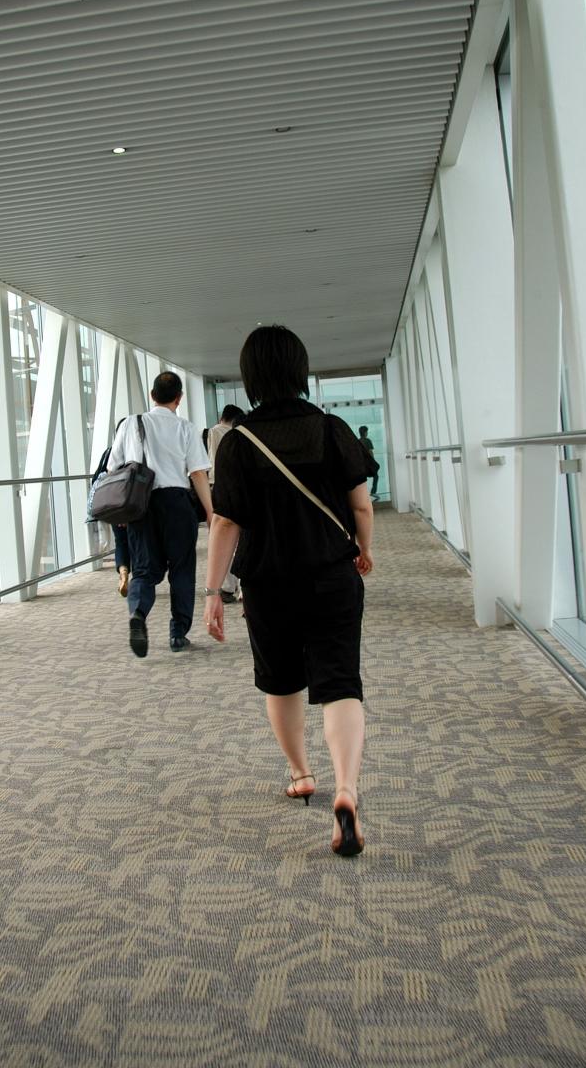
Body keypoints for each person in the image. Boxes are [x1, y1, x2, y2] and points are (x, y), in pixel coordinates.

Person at [203, 325, 373, 857]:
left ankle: (301, 774)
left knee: (280, 682)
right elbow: (361, 504)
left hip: (268, 582)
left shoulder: (238, 443)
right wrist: (364, 549)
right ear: (300, 369)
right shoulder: (331, 429)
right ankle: (346, 790)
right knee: (340, 683)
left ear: (251, 377)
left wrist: (213, 592)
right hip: (332, 574)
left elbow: (225, 523)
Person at [108, 372, 212, 656]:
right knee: (182, 569)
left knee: (143, 569)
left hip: (141, 505)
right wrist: (211, 512)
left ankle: (138, 613)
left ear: (152, 395)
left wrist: (122, 509)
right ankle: (178, 634)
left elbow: (114, 468)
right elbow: (198, 473)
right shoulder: (186, 428)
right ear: (179, 398)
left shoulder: (130, 423)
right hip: (177, 502)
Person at [206, 404, 245, 603]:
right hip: (244, 488)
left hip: (221, 486)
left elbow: (212, 460)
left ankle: (228, 587)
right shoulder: (243, 432)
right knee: (242, 539)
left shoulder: (215, 431)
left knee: (224, 535)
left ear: (223, 417)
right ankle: (243, 588)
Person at [91, 417, 131, 596]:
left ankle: (123, 571)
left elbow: (97, 478)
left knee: (121, 541)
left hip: (115, 505)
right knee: (137, 541)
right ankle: (140, 578)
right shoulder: (136, 453)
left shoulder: (109, 453)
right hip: (135, 507)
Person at [358, 425, 381, 498]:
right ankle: (373, 492)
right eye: (366, 432)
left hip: (361, 463)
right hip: (368, 463)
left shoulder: (357, 441)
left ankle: (362, 494)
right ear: (365, 432)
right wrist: (373, 461)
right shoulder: (368, 441)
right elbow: (370, 451)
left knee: (362, 479)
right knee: (376, 476)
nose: (367, 433)